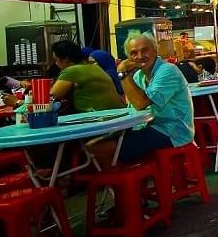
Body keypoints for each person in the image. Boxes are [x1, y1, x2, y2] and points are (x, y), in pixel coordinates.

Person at [91, 31, 195, 166]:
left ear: (155, 50)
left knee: (101, 148)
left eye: (145, 50)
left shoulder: (167, 70)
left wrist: (122, 72)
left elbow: (141, 103)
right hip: (148, 127)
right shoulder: (138, 76)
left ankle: (119, 184)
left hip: (172, 132)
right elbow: (133, 108)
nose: (140, 56)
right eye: (133, 53)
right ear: (128, 57)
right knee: (92, 144)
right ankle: (127, 181)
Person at [49, 41, 124, 113]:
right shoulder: (96, 68)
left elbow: (51, 98)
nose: (56, 64)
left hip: (97, 120)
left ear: (65, 59)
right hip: (117, 118)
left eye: (56, 60)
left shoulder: (72, 71)